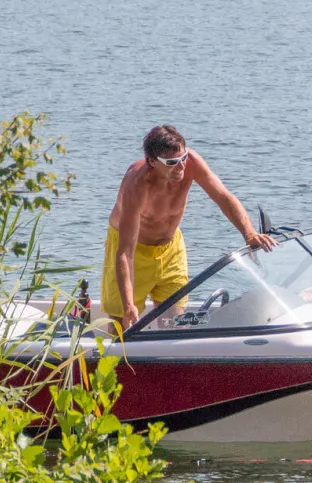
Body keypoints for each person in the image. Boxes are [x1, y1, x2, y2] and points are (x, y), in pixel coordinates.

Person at [102, 125, 276, 332]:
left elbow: (223, 197)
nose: (181, 166)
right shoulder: (137, 185)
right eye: (172, 162)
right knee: (123, 324)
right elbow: (125, 253)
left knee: (174, 324)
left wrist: (249, 233)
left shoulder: (192, 162)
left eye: (183, 157)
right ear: (152, 161)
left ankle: (169, 361)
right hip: (133, 251)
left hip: (170, 249)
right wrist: (129, 305)